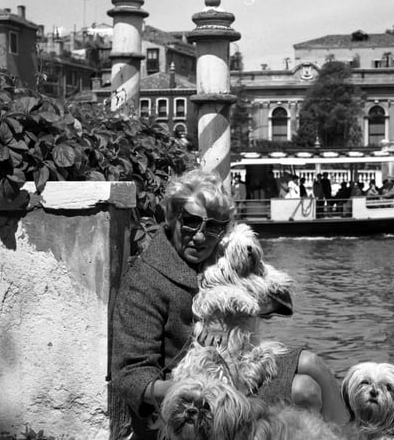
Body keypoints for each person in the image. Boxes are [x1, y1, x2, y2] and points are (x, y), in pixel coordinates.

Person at [110, 169, 346, 439]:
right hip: (197, 390)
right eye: (190, 222)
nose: (200, 236)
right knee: (306, 391)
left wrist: (240, 308)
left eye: (212, 227)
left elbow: (282, 299)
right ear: (172, 217)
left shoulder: (220, 258)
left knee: (312, 362)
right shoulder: (145, 280)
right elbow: (130, 376)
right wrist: (190, 390)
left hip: (239, 366)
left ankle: (351, 434)